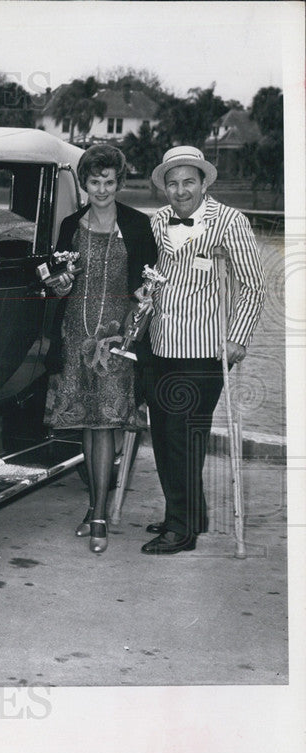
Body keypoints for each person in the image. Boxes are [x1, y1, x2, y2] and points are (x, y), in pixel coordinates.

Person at [139, 145, 264, 554]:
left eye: (188, 181)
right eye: (172, 183)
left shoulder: (230, 221)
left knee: (184, 436)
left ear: (203, 182)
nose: (180, 190)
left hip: (204, 349)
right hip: (159, 344)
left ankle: (181, 528)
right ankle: (190, 513)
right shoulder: (157, 222)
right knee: (164, 434)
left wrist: (237, 337)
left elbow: (252, 285)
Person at [44, 144, 157, 554]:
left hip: (115, 338)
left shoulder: (138, 225)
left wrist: (136, 321)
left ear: (120, 183)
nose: (102, 189)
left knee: (106, 423)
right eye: (95, 182)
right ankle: (96, 506)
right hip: (76, 332)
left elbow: (146, 286)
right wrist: (59, 284)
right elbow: (58, 285)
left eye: (110, 182)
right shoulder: (70, 226)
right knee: (88, 424)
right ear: (84, 183)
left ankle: (98, 517)